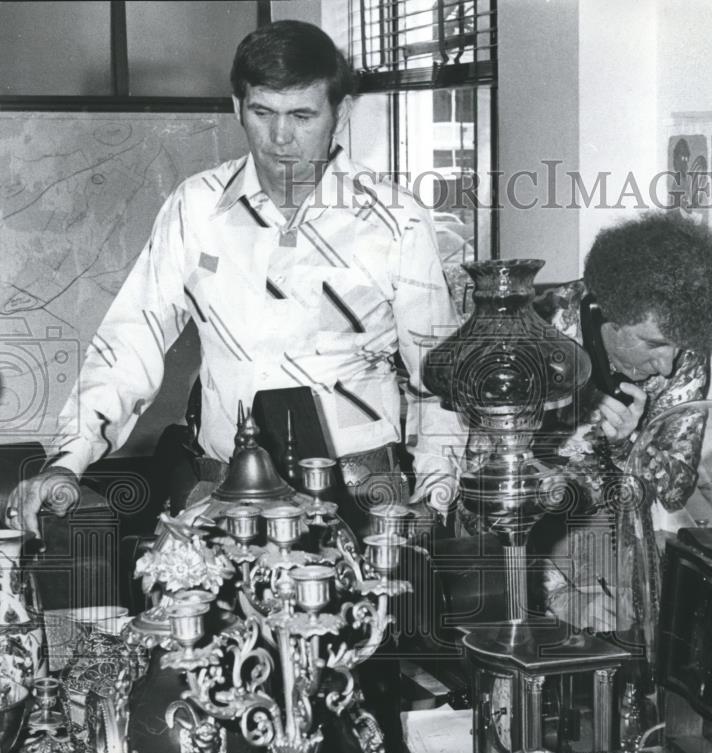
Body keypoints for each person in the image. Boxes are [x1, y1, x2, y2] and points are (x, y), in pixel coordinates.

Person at [5, 21, 464, 538]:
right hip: (224, 501)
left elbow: (437, 375)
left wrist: (435, 495)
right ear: (236, 107)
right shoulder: (196, 207)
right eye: (262, 113)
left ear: (342, 112)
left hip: (363, 502)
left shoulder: (395, 218)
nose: (281, 137)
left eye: (302, 116)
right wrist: (72, 455)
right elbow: (131, 339)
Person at [526, 211, 712, 632]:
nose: (666, 365)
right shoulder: (539, 330)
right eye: (653, 344)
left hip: (623, 550)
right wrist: (555, 596)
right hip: (531, 551)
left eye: (679, 349)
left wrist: (635, 440)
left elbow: (675, 488)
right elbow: (483, 488)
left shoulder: (683, 351)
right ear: (611, 316)